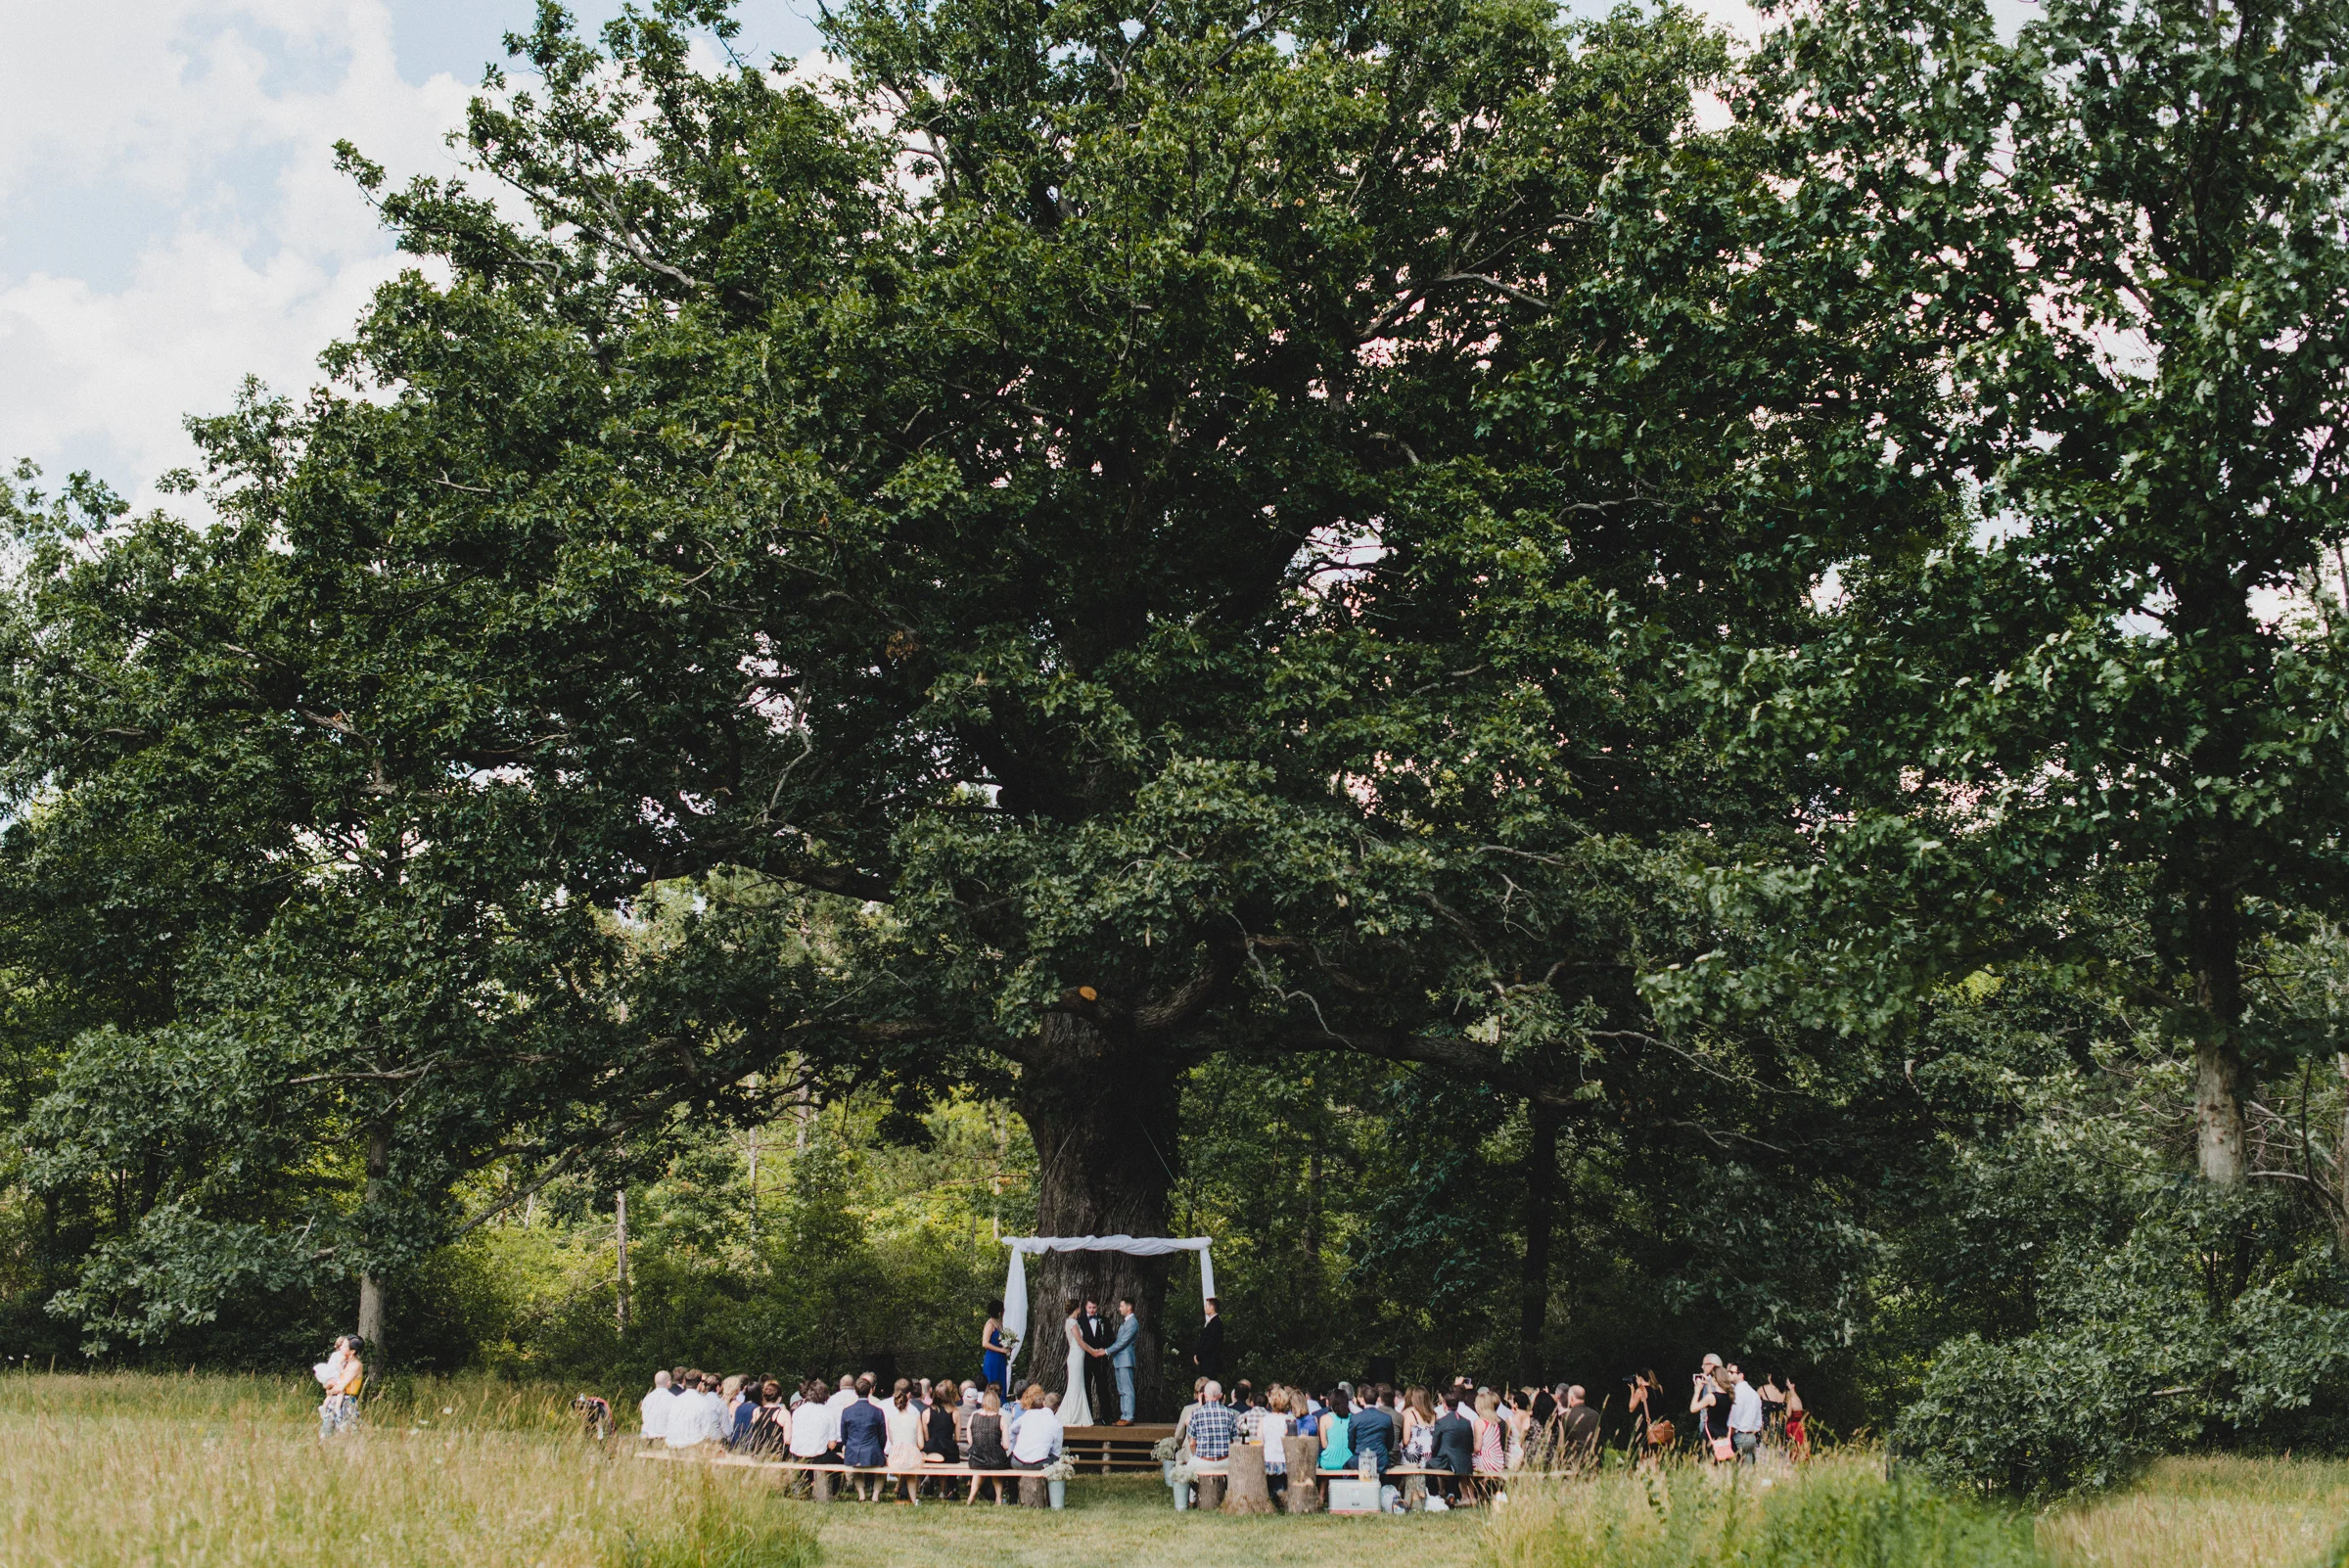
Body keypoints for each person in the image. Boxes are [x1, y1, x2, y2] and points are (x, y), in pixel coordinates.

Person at [839, 1382, 888, 1499]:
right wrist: (879, 1449)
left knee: (856, 1467)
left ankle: (861, 1494)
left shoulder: (847, 1411)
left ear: (856, 1391)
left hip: (853, 1452)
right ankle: (875, 1495)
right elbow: (883, 1436)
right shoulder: (878, 1411)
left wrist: (849, 1446)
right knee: (884, 1467)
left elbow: (844, 1436)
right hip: (873, 1452)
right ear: (870, 1390)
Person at [1428, 1390, 1475, 1501]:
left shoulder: (1441, 1422)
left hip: (1447, 1461)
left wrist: (1434, 1455)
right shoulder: (1466, 1422)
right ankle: (1451, 1494)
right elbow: (1470, 1444)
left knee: (1427, 1465)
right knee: (1452, 1463)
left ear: (1444, 1404)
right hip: (1464, 1461)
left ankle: (1434, 1495)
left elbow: (1434, 1444)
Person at [966, 1387, 1012, 1500]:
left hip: (976, 1459)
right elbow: (1006, 1445)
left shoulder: (973, 1416)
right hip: (996, 1460)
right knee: (997, 1468)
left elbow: (970, 1441)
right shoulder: (1000, 1419)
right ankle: (999, 1498)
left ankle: (971, 1496)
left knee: (979, 1471)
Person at [1059, 1298, 1097, 1428]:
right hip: (1076, 1356)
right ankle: (1074, 1414)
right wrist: (1093, 1351)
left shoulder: (1070, 1322)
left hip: (1077, 1356)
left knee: (1077, 1384)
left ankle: (1077, 1413)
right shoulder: (1073, 1323)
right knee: (1075, 1385)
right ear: (1077, 1309)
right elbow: (1080, 1342)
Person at [884, 1379, 926, 1497]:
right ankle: (907, 1491)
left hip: (890, 1452)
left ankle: (900, 1484)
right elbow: (920, 1444)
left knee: (903, 1458)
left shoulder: (881, 1406)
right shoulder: (915, 1412)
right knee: (911, 1459)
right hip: (909, 1454)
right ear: (908, 1396)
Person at [316, 1335, 363, 1438]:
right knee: (325, 1434)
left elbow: (341, 1387)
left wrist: (330, 1391)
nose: (341, 1347)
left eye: (345, 1346)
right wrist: (328, 1386)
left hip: (347, 1403)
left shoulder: (356, 1365)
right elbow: (327, 1383)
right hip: (334, 1401)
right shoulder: (342, 1361)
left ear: (353, 1351)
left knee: (347, 1434)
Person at [1105, 1297, 1141, 1424]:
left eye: (1121, 1306)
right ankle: (1124, 1415)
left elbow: (1122, 1342)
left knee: (1127, 1389)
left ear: (1129, 1307)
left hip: (1126, 1360)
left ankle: (1129, 1416)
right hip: (1119, 1360)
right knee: (1122, 1390)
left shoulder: (1132, 1323)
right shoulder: (1126, 1322)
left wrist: (1105, 1351)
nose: (1119, 1309)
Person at [1010, 1383, 1064, 1470]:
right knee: (1055, 1458)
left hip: (1017, 1462)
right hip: (1040, 1464)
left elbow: (1012, 1429)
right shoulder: (1057, 1424)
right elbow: (1056, 1452)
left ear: (1043, 1403)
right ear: (1057, 1408)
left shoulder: (1029, 1414)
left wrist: (1012, 1448)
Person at [1350, 1384, 1396, 1478]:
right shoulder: (1386, 1418)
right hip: (1380, 1459)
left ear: (1363, 1399)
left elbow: (1351, 1441)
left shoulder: (1355, 1418)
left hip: (1360, 1458)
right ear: (1377, 1399)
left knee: (1346, 1468)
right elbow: (1390, 1441)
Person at [1080, 1298, 1115, 1424]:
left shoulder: (1104, 1321)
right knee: (1086, 1386)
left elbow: (1111, 1338)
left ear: (1097, 1307)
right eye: (1090, 1308)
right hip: (1086, 1359)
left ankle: (1106, 1416)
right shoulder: (1080, 1321)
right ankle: (1087, 1416)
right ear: (1086, 1308)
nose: (1092, 1310)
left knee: (1103, 1387)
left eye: (1094, 1307)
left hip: (1100, 1358)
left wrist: (1103, 1348)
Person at [1186, 1380, 1236, 1462]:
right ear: (1220, 1395)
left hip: (1204, 1461)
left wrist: (1195, 1457)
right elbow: (1235, 1440)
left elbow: (1192, 1443)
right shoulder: (1230, 1413)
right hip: (1224, 1462)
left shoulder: (1196, 1414)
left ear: (1204, 1395)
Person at [1555, 1385, 1601, 1471]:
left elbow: (1561, 1443)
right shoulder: (1596, 1415)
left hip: (1572, 1462)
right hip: (1592, 1461)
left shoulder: (1565, 1417)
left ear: (1571, 1398)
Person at [1727, 1362, 1764, 1464]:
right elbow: (1758, 1422)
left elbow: (1734, 1418)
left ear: (1740, 1375)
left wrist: (1728, 1436)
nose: (1728, 1374)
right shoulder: (1754, 1394)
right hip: (1751, 1437)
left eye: (1731, 1372)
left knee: (1733, 1470)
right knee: (1747, 1472)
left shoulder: (1738, 1393)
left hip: (1738, 1437)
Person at [1472, 1389, 1508, 1479]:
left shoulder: (1479, 1422)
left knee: (1464, 1465)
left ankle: (1470, 1493)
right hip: (1498, 1461)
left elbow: (1477, 1447)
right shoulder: (1495, 1422)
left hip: (1486, 1462)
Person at [1314, 1389, 1353, 1472]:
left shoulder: (1324, 1419)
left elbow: (1324, 1445)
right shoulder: (1352, 1418)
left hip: (1329, 1461)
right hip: (1348, 1460)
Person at [925, 1379, 962, 1464]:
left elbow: (926, 1438)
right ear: (948, 1395)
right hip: (949, 1451)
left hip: (931, 1451)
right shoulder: (955, 1412)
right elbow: (957, 1438)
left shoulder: (926, 1413)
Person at [981, 1299, 1012, 1395]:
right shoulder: (990, 1324)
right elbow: (985, 1343)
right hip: (992, 1357)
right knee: (992, 1380)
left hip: (1001, 1358)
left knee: (1001, 1380)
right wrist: (1001, 1350)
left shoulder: (1000, 1323)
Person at [1191, 1296, 1224, 1383]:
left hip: (1210, 1363)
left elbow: (1210, 1344)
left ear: (1212, 1307)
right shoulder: (1211, 1322)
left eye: (1206, 1306)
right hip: (1206, 1362)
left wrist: (1199, 1357)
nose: (1204, 1308)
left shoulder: (1216, 1323)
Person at [1260, 1387, 1292, 1477]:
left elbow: (1259, 1442)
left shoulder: (1264, 1420)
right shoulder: (1290, 1420)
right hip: (1285, 1461)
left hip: (1267, 1460)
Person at [637, 1369, 673, 1444]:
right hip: (664, 1438)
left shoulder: (647, 1398)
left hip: (647, 1437)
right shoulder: (673, 1399)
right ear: (669, 1383)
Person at [1782, 1376, 1810, 1459]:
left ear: (1793, 1385)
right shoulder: (1798, 1398)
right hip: (1800, 1426)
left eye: (1788, 1382)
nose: (1786, 1384)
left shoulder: (1791, 1399)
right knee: (1801, 1446)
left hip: (1793, 1426)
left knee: (1794, 1449)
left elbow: (1788, 1414)